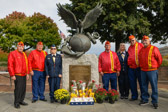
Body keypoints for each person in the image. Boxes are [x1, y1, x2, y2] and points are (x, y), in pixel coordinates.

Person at [139, 35, 162, 109]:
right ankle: (145, 100)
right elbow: (139, 59)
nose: (145, 42)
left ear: (149, 41)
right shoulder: (141, 50)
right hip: (143, 71)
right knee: (143, 86)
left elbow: (159, 59)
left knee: (154, 86)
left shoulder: (154, 48)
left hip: (152, 71)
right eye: (143, 41)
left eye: (146, 40)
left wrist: (155, 67)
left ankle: (154, 101)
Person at [8, 41, 29, 109]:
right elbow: (10, 65)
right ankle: (16, 102)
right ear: (17, 46)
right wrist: (12, 74)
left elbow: (26, 64)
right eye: (19, 46)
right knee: (18, 89)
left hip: (24, 74)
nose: (21, 48)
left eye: (22, 46)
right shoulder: (13, 53)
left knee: (23, 89)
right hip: (17, 74)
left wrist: (27, 73)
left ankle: (21, 100)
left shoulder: (24, 54)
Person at [127, 35, 143, 101]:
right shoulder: (129, 48)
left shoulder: (140, 45)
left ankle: (143, 97)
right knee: (132, 83)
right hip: (131, 68)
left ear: (135, 40)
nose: (132, 41)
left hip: (139, 67)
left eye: (133, 40)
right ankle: (134, 96)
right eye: (130, 41)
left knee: (141, 83)